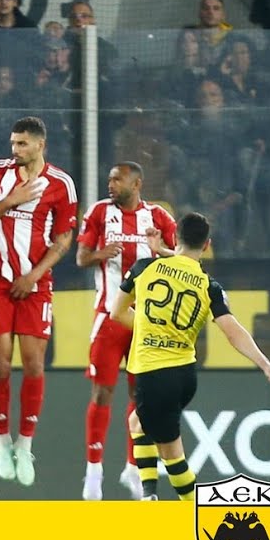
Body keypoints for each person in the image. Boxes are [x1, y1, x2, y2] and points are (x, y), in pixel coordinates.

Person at [110, 212, 270, 501]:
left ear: (175, 237)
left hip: (154, 372)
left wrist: (148, 326)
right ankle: (149, 496)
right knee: (138, 424)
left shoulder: (144, 269)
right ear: (207, 245)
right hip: (184, 375)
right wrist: (266, 365)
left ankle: (194, 509)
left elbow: (116, 312)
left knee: (171, 454)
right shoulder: (209, 286)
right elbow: (233, 331)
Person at [0, 116, 77, 487]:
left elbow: (64, 239)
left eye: (21, 144)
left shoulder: (61, 183)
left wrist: (33, 276)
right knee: (1, 362)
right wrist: (10, 201)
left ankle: (25, 444)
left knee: (34, 363)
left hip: (35, 285)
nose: (14, 150)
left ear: (40, 145)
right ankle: (2, 441)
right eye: (13, 143)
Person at [75, 162, 177, 501]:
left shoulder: (159, 218)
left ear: (137, 184)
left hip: (146, 322)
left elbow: (181, 262)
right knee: (102, 393)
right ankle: (94, 471)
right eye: (109, 179)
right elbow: (81, 258)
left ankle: (133, 468)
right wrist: (100, 254)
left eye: (117, 180)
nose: (111, 184)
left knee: (141, 397)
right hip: (109, 317)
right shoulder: (99, 213)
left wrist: (160, 251)